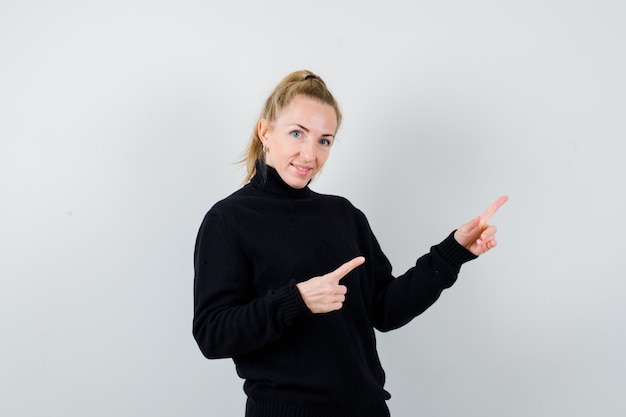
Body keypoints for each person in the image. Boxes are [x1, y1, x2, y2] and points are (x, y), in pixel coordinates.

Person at [192, 70, 508, 417]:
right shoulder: (229, 220)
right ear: (266, 132)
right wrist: (297, 300)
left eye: (324, 140)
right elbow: (212, 333)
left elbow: (385, 310)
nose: (309, 154)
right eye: (297, 133)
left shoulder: (343, 215)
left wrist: (454, 252)